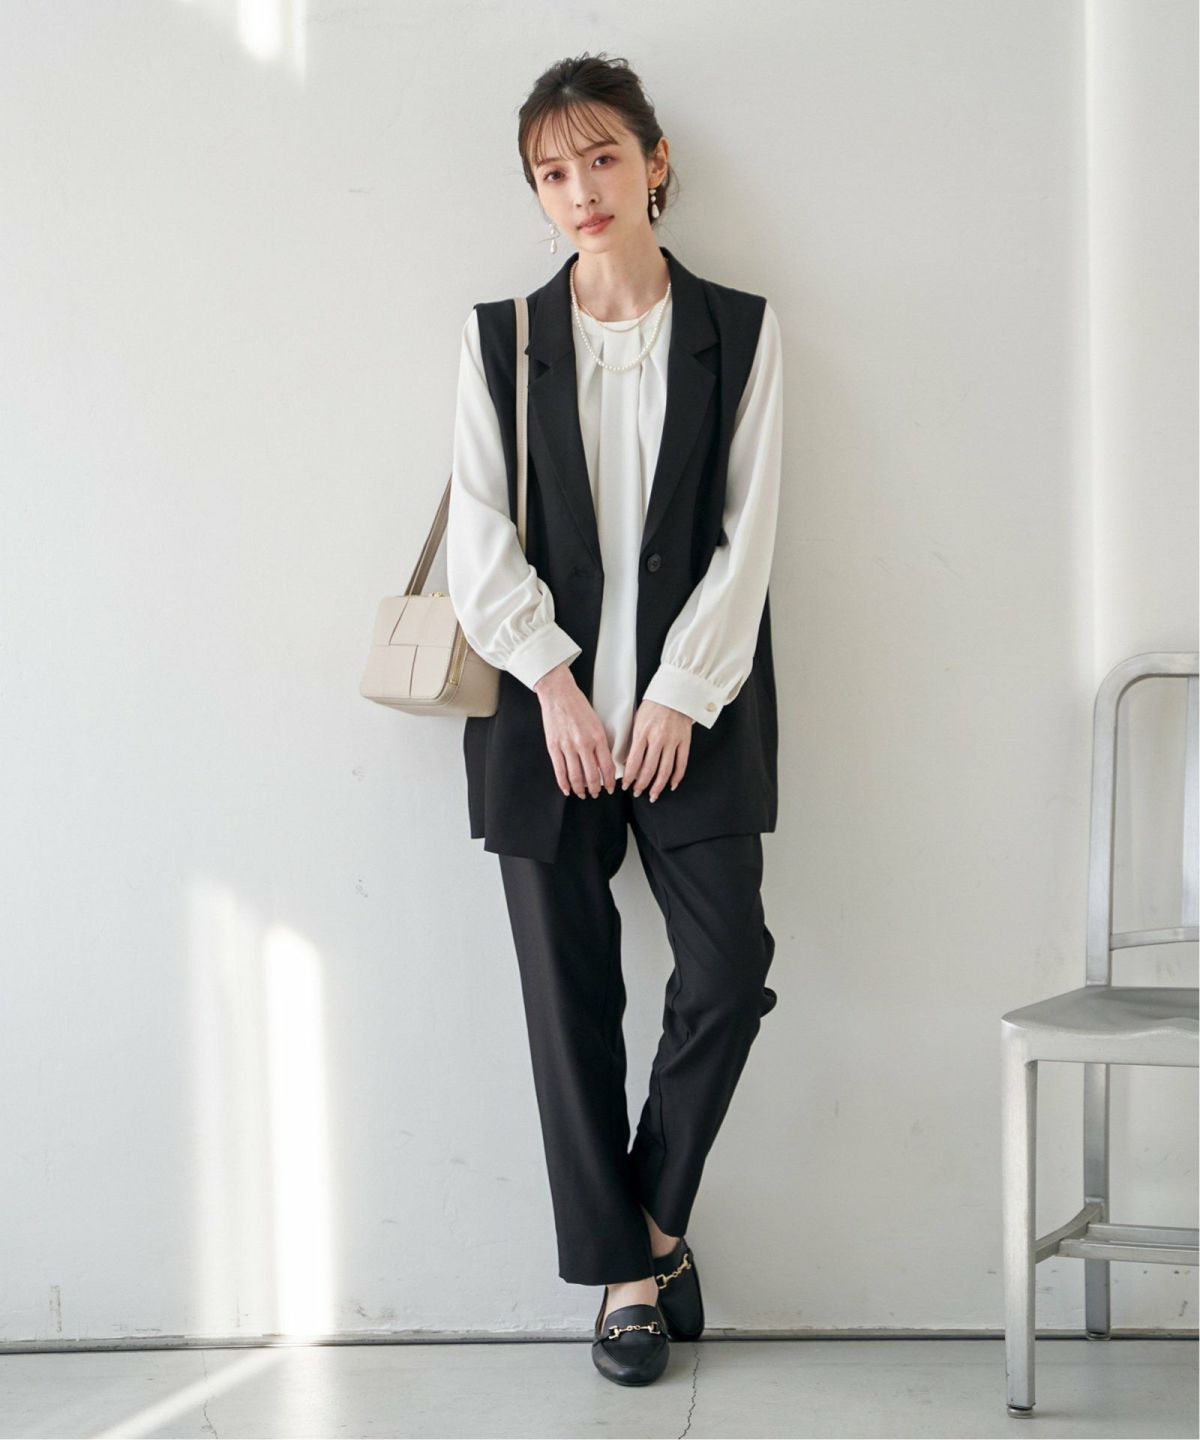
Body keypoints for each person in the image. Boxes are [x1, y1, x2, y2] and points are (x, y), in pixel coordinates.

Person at [446, 52, 783, 1387]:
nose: (578, 190)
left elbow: (751, 537)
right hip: (548, 727)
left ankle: (648, 1221)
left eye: (600, 158)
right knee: (568, 1001)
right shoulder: (501, 338)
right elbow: (479, 536)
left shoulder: (740, 329)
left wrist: (681, 692)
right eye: (550, 171)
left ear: (653, 161)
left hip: (699, 716)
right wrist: (553, 682)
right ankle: (627, 1284)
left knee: (729, 971)